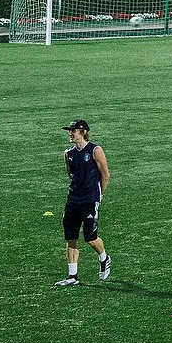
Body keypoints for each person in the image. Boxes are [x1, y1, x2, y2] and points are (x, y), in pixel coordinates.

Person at [56, 119, 110, 287]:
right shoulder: (68, 154)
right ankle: (73, 275)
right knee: (71, 237)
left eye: (73, 131)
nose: (70, 134)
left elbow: (105, 175)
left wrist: (98, 196)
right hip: (73, 201)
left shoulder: (95, 150)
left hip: (89, 200)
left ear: (83, 132)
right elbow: (71, 175)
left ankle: (104, 257)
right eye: (69, 131)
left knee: (90, 238)